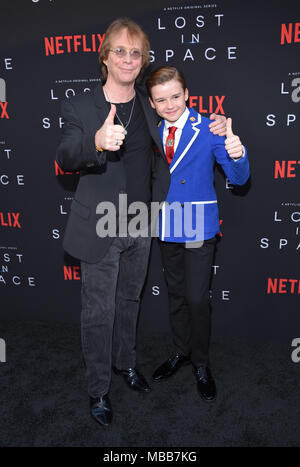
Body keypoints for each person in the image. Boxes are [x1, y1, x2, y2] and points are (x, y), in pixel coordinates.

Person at [56, 19, 227, 426]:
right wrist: (96, 142)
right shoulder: (80, 106)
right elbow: (64, 156)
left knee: (129, 303)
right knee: (98, 312)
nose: (129, 59)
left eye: (136, 53)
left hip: (141, 220)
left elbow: (183, 120)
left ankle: (125, 364)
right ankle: (98, 390)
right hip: (100, 224)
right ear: (105, 56)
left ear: (143, 59)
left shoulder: (150, 106)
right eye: (120, 51)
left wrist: (218, 126)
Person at [146, 66, 250, 402]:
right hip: (166, 225)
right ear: (152, 103)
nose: (170, 104)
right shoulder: (150, 132)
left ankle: (201, 364)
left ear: (187, 94)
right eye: (161, 99)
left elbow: (239, 176)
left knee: (195, 298)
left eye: (175, 96)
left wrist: (237, 151)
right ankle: (181, 351)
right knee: (176, 296)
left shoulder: (210, 127)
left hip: (198, 225)